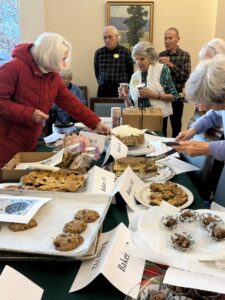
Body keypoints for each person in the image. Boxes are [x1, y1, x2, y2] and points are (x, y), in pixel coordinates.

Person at [0, 32, 110, 170]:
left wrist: (96, 122)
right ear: (49, 57)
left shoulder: (52, 75)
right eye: (62, 59)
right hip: (6, 140)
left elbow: (71, 102)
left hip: (30, 140)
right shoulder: (13, 68)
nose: (65, 64)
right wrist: (29, 113)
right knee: (7, 181)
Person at [174, 54, 225, 161]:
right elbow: (215, 115)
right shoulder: (220, 105)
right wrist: (192, 130)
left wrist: (208, 148)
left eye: (207, 101)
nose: (204, 105)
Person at [123, 41, 178, 136]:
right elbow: (131, 105)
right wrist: (125, 97)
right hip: (139, 120)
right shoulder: (135, 76)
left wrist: (154, 95)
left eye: (142, 59)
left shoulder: (161, 70)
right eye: (136, 59)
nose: (138, 63)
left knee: (158, 145)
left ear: (150, 58)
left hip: (157, 117)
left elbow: (174, 96)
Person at [159, 27, 191, 137]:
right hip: (162, 96)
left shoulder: (185, 55)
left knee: (176, 125)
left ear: (178, 39)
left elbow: (185, 77)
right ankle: (161, 150)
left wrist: (171, 65)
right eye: (165, 38)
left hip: (177, 95)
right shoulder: (161, 55)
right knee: (161, 125)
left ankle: (176, 151)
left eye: (170, 38)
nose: (167, 41)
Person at [94, 25, 134, 97]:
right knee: (102, 108)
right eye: (105, 37)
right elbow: (97, 72)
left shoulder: (126, 52)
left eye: (110, 37)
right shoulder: (98, 53)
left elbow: (130, 72)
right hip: (103, 89)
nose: (107, 40)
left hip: (121, 90)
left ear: (116, 37)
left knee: (122, 108)